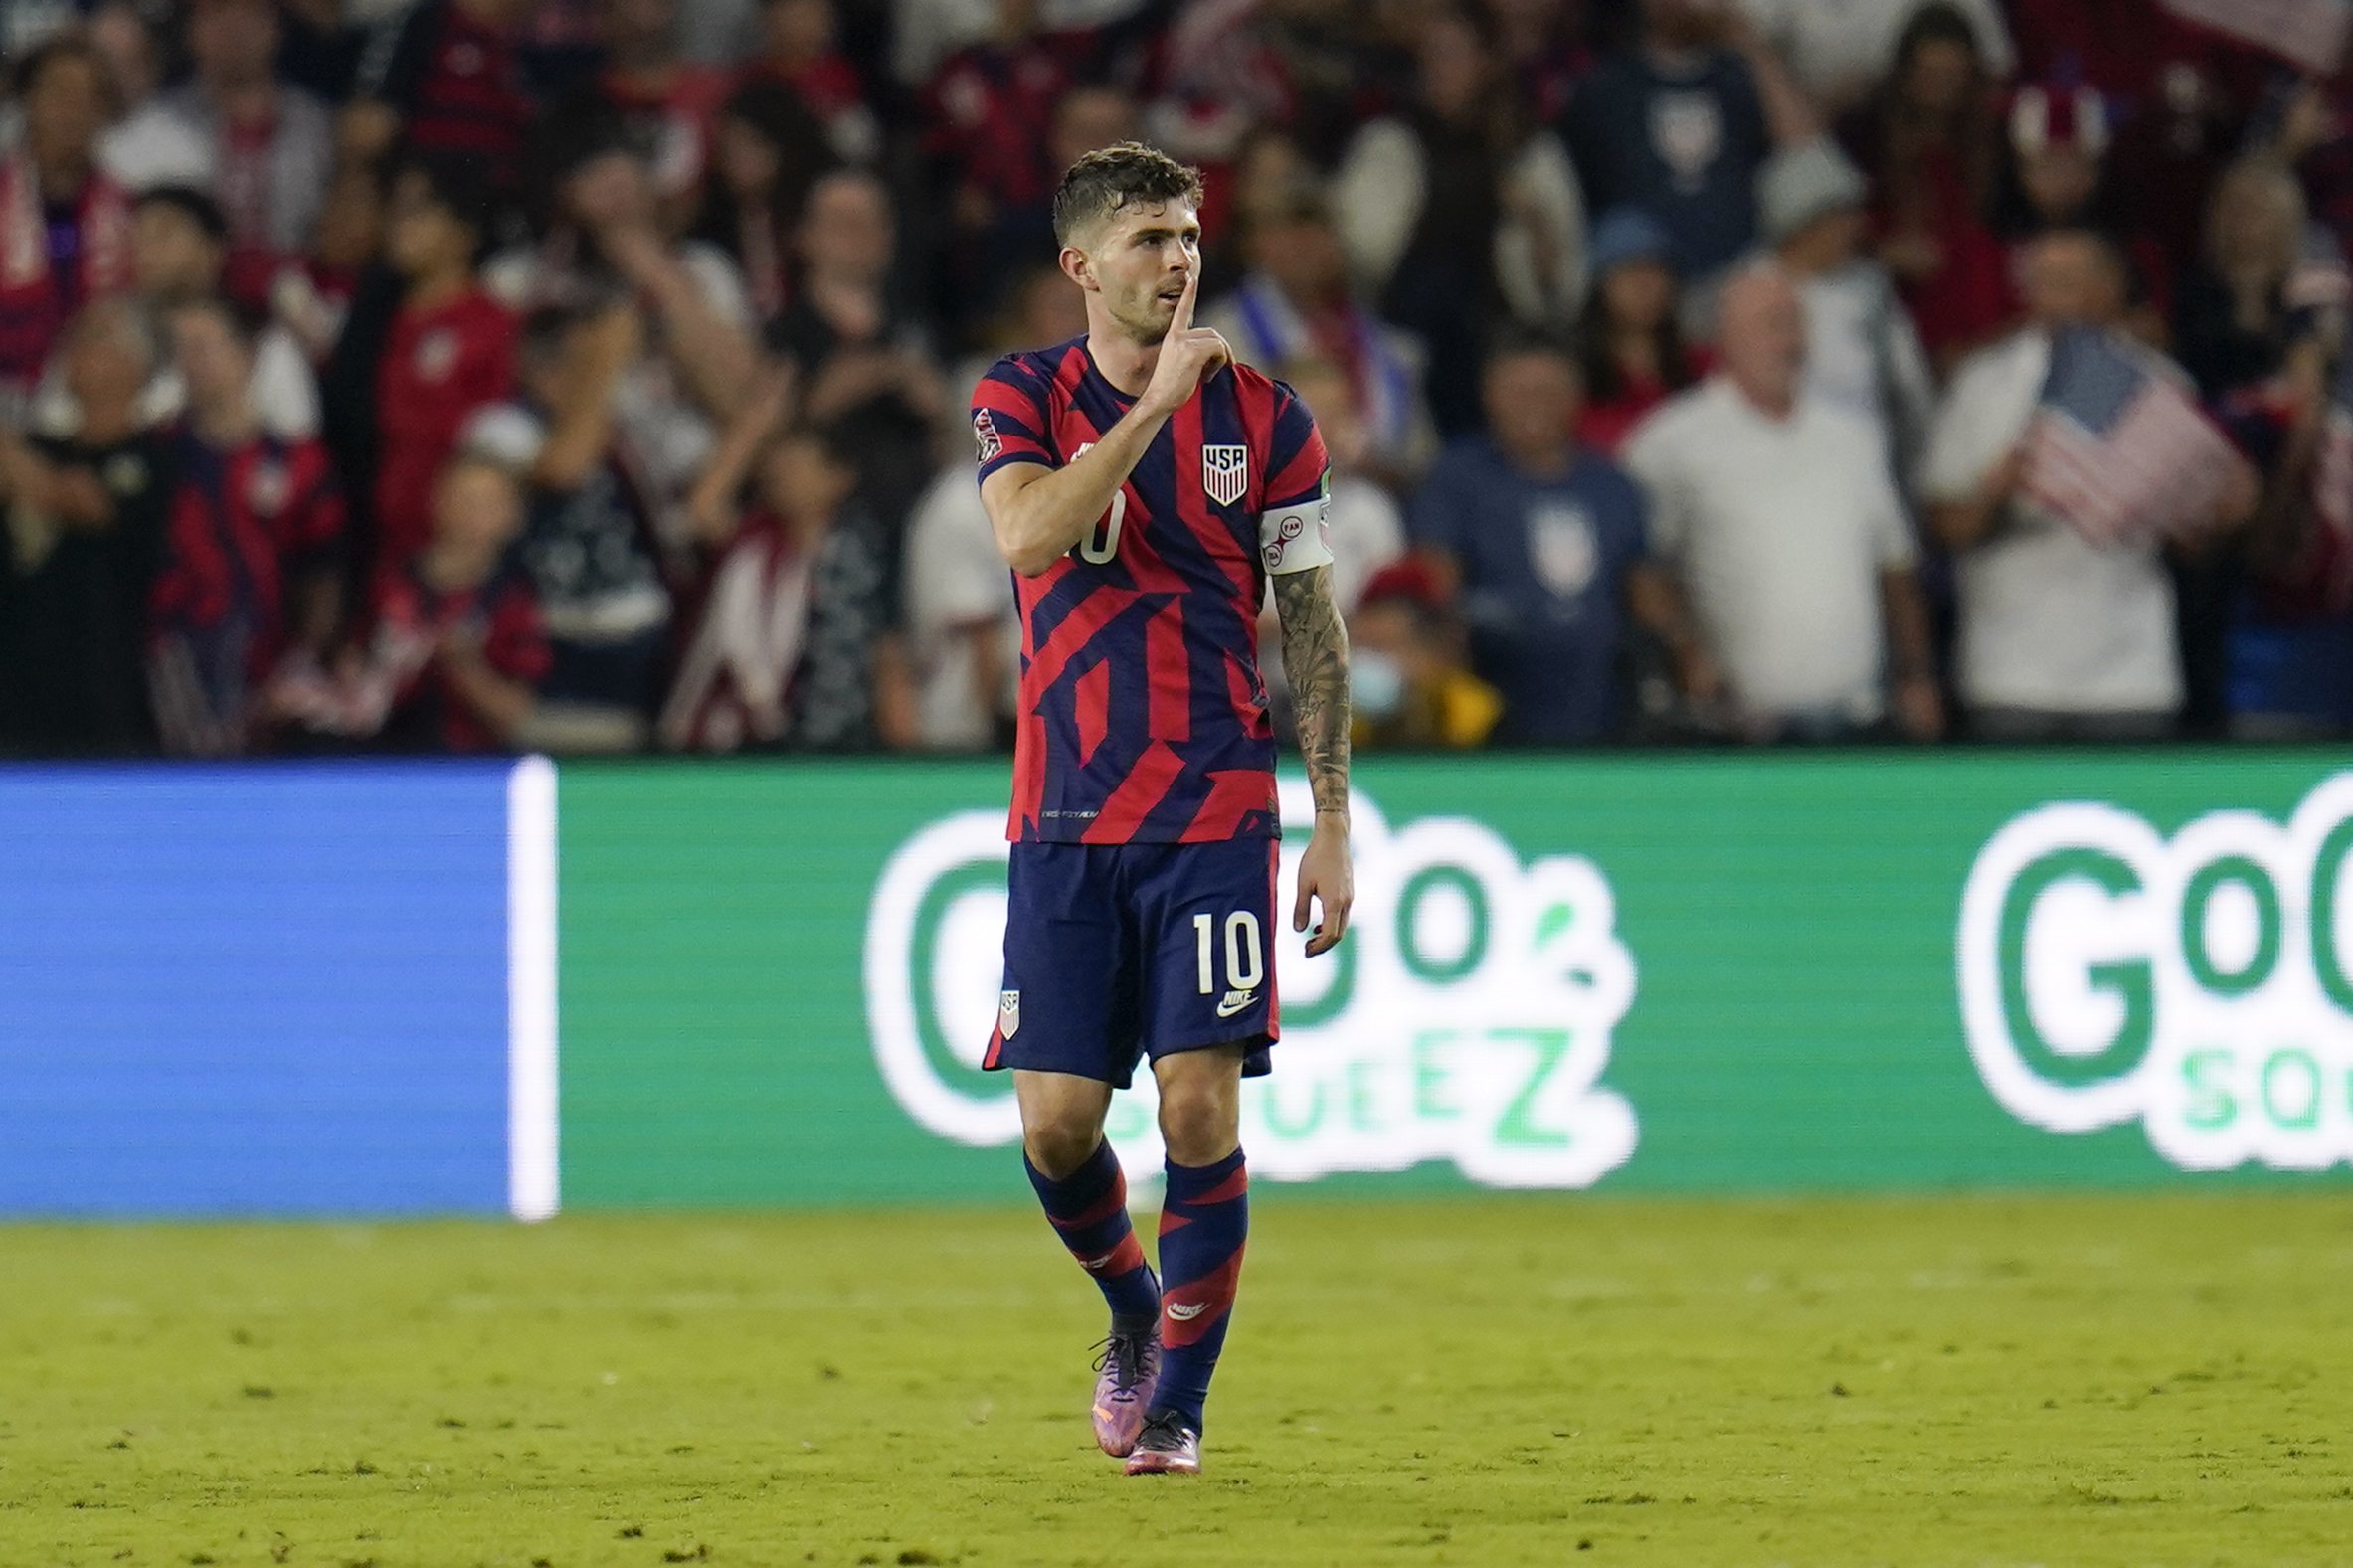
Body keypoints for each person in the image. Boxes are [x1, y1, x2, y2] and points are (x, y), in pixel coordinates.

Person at [971, 141, 1353, 1476]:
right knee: (1057, 1126)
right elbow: (1025, 537)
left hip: (1210, 811)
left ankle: (1178, 1408)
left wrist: (1331, 816)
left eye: (1186, 232)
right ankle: (1136, 1314)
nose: (1176, 256)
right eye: (1146, 237)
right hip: (1064, 817)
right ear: (1081, 264)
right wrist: (1144, 414)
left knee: (1199, 1107)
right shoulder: (1021, 394)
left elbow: (1307, 623)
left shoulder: (1267, 417)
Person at [1919, 230, 2241, 741]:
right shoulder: (1983, 383)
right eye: (2042, 283)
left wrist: (2214, 513)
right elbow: (1943, 527)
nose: (2054, 298)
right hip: (2010, 675)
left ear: (2110, 290)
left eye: (2069, 282)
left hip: (2130, 676)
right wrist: (1998, 492)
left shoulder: (2159, 384)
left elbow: (2193, 545)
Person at [1624, 264, 1941, 741]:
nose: (1789, 340)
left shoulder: (1851, 435)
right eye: (1771, 324)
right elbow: (1645, 570)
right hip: (1742, 726)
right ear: (1725, 339)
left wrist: (1916, 675)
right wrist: (1685, 649)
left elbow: (1894, 567)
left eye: (1795, 322)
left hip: (1857, 716)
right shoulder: (1669, 442)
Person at [1412, 337, 1711, 745]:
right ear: (1489, 397)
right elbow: (1435, 585)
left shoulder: (1612, 486)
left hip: (1603, 707)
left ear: (1576, 398)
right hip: (1494, 706)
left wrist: (1686, 652)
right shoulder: (1456, 480)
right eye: (1520, 392)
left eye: (1548, 392)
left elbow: (1646, 592)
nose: (1534, 404)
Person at [147, 296, 345, 756]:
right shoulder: (157, 455)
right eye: (181, 350)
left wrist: (304, 660)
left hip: (266, 667)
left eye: (202, 346)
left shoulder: (299, 462)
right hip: (169, 666)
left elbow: (325, 568)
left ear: (245, 355)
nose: (190, 362)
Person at [0, 299, 172, 755]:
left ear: (134, 365)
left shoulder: (152, 458)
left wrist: (18, 464)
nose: (71, 351)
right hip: (17, 688)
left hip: (103, 690)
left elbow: (86, 504)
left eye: (92, 339)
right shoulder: (43, 448)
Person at [100, 0, 334, 310]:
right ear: (190, 30)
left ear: (277, 26)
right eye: (217, 11)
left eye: (251, 11)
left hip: (303, 307)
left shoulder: (321, 130)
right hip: (180, 311)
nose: (235, 26)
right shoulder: (144, 134)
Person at [1757, 138, 1935, 473]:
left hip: (1870, 465)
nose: (1855, 227)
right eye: (1841, 215)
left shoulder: (1871, 289)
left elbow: (1910, 388)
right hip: (1783, 466)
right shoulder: (1750, 291)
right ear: (1804, 223)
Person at [0, 34, 134, 416]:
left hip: (101, 406)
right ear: (27, 99)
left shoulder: (127, 208)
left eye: (91, 96)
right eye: (60, 90)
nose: (74, 108)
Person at [1576, 208, 1708, 456]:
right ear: (1600, 285)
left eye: (1657, 270)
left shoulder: (1704, 367)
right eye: (1632, 271)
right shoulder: (1578, 382)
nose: (1647, 286)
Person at [1346, 558, 1502, 749]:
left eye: (1386, 647)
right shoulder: (1333, 722)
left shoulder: (1482, 721)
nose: (1371, 662)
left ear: (1431, 652)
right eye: (1363, 647)